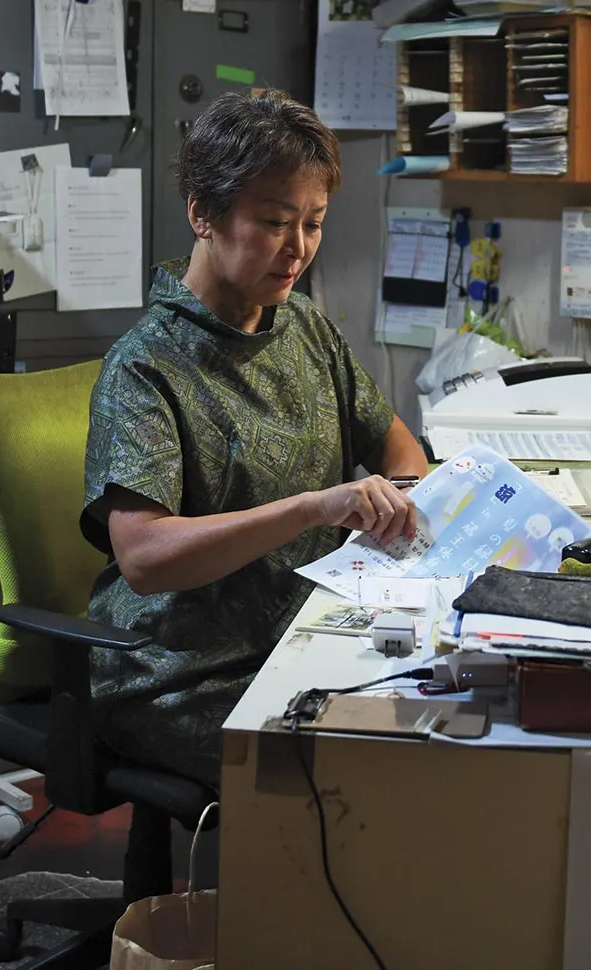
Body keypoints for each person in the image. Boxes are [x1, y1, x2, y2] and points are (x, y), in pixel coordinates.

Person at [79, 90, 430, 785]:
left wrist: (407, 499)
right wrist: (311, 508)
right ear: (202, 215)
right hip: (182, 671)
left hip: (309, 636)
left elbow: (396, 445)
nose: (297, 249)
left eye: (314, 223)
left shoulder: (304, 327)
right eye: (273, 222)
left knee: (446, 725)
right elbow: (145, 557)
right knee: (362, 774)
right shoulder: (146, 367)